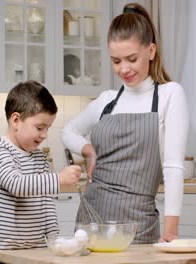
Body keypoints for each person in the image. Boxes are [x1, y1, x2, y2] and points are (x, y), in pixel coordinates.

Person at [61, 3, 188, 244]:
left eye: (132, 59)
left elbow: (173, 168)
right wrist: (89, 152)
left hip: (137, 228)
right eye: (116, 61)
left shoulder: (170, 95)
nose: (124, 69)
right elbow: (68, 131)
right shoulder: (107, 100)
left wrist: (171, 231)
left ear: (151, 51)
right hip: (90, 223)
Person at [0, 81, 81, 261]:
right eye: (40, 127)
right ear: (16, 120)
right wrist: (58, 179)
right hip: (4, 253)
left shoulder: (38, 158)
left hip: (35, 251)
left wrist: (54, 240)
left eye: (48, 128)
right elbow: (17, 185)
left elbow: (47, 204)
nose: (44, 135)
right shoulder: (0, 151)